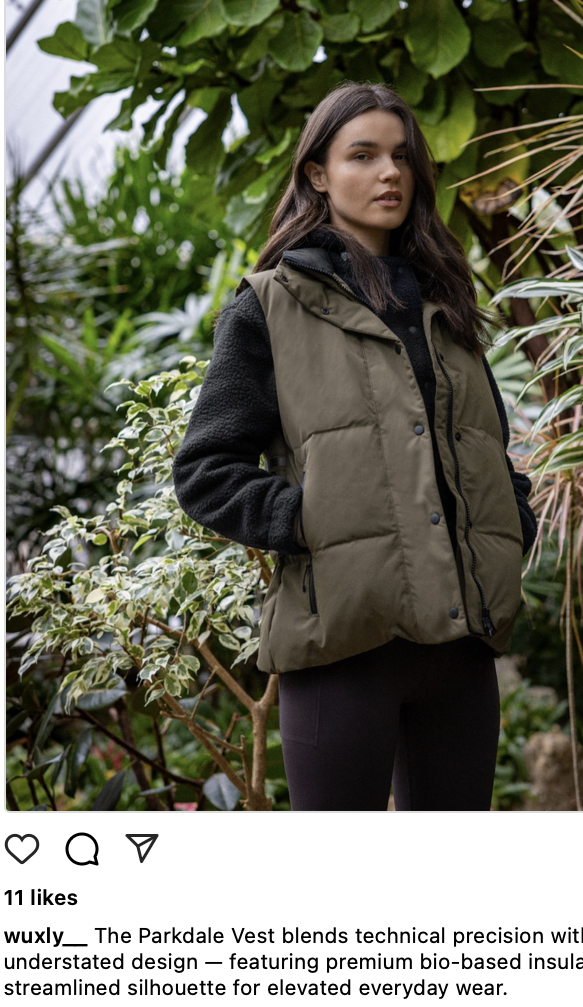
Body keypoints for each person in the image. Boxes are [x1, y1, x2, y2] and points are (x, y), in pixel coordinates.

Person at [173, 82, 537, 811]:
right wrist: (308, 520)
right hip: (340, 649)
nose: (389, 173)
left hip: (462, 648)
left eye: (401, 156)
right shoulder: (269, 305)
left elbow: (486, 448)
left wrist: (510, 526)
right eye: (363, 155)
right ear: (318, 173)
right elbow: (205, 470)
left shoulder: (447, 304)